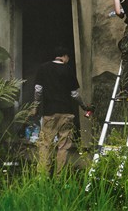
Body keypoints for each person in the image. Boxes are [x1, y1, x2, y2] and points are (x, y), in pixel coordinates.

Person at [34, 46, 93, 175]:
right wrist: (84, 107)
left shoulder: (43, 68)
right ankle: (60, 176)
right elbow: (74, 94)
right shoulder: (68, 70)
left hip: (49, 113)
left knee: (45, 144)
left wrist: (36, 106)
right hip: (66, 113)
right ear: (64, 56)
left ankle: (42, 175)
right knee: (63, 146)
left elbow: (38, 90)